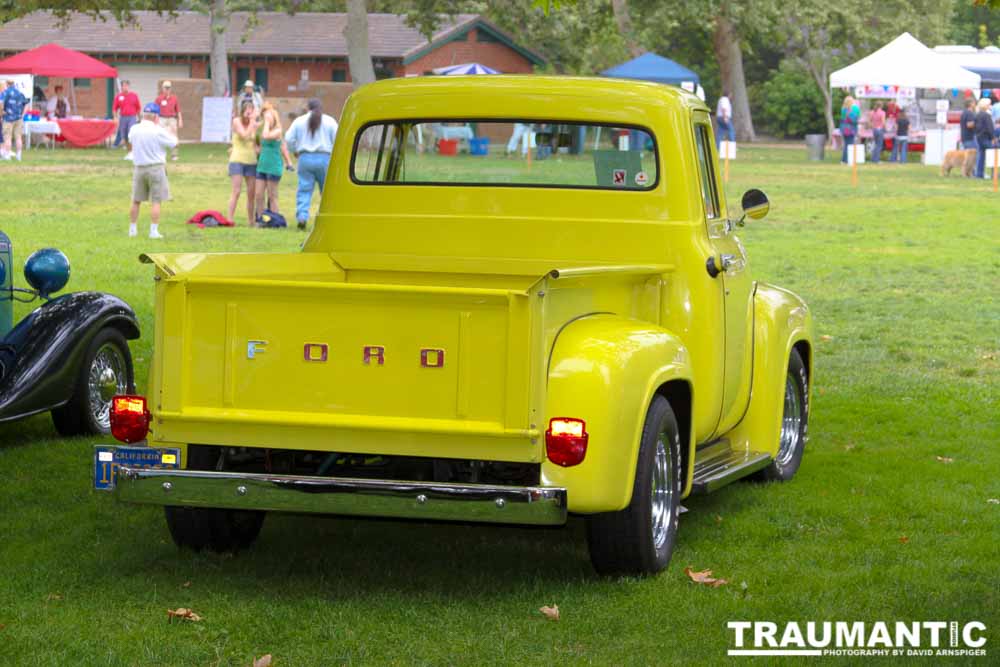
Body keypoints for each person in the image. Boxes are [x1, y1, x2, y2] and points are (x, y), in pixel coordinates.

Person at [284, 98, 338, 230]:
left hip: (305, 158)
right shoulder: (330, 121)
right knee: (326, 192)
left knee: (304, 189)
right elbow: (337, 138)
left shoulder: (299, 121)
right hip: (324, 158)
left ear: (308, 108)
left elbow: (288, 138)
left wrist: (294, 151)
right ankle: (326, 218)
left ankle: (302, 216)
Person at [127, 103, 177, 239]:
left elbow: (130, 140)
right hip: (155, 167)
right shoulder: (158, 130)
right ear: (156, 116)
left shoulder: (134, 128)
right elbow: (173, 143)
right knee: (156, 200)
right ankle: (153, 231)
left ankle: (132, 229)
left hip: (139, 168)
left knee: (136, 200)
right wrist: (171, 131)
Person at [253, 102, 286, 222]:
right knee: (259, 195)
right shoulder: (263, 129)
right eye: (266, 117)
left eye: (269, 117)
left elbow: (266, 135)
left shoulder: (277, 131)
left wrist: (267, 121)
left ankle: (274, 220)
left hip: (273, 166)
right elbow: (259, 140)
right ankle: (261, 219)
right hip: (262, 166)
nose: (266, 119)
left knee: (272, 196)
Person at [229, 100, 259, 226]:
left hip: (251, 161)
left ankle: (251, 221)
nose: (249, 111)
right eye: (247, 109)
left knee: (251, 193)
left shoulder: (255, 125)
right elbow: (244, 135)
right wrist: (253, 122)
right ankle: (229, 219)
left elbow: (257, 144)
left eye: (251, 109)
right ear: (242, 111)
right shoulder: (236, 121)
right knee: (236, 191)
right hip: (237, 160)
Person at [0, 78, 29, 161]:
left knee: (7, 137)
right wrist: (23, 114)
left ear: (7, 84)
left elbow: (1, 104)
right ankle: (19, 155)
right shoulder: (19, 93)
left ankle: (7, 155)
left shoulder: (5, 93)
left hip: (8, 118)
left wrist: (2, 112)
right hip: (19, 118)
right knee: (18, 137)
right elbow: (26, 104)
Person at [112, 79, 141, 159]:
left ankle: (133, 152)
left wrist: (139, 118)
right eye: (123, 86)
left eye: (126, 86)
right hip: (123, 118)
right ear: (121, 87)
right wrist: (115, 117)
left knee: (130, 133)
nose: (125, 87)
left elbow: (138, 107)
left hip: (132, 117)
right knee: (124, 135)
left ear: (129, 86)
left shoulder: (134, 95)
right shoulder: (119, 96)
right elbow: (114, 108)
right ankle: (129, 152)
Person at [154, 81, 182, 161]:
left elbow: (178, 110)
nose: (167, 90)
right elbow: (155, 111)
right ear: (162, 89)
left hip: (172, 119)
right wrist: (155, 120)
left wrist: (180, 120)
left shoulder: (174, 98)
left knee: (174, 137)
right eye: (165, 88)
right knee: (160, 136)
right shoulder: (158, 99)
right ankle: (160, 154)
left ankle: (174, 154)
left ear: (170, 89)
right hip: (161, 119)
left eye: (168, 88)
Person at [973, 97, 996, 179]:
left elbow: (974, 126)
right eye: (989, 104)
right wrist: (993, 138)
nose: (990, 106)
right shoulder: (987, 115)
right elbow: (990, 128)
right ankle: (995, 174)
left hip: (979, 137)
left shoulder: (977, 114)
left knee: (981, 156)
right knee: (995, 154)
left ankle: (979, 174)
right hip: (986, 138)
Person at [839, 96, 860, 164]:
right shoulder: (855, 108)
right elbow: (857, 118)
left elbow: (842, 119)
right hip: (851, 129)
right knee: (850, 144)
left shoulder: (843, 109)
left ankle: (843, 160)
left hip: (844, 129)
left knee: (846, 144)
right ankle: (848, 160)